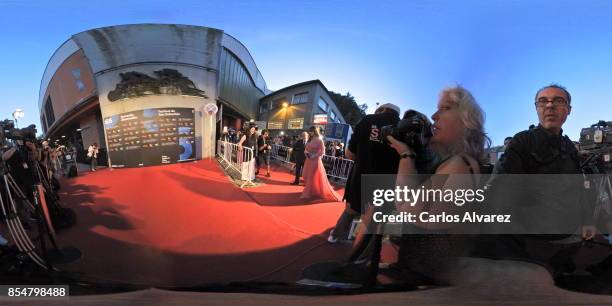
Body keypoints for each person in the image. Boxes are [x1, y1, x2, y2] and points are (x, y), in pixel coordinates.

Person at [484, 84, 596, 276]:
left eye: (558, 101)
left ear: (568, 110)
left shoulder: (569, 147)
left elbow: (581, 190)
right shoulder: (522, 142)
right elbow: (498, 195)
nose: (550, 106)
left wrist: (588, 222)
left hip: (565, 238)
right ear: (537, 108)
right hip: (528, 244)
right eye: (543, 101)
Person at [385, 86, 489, 284]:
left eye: (445, 108)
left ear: (466, 120)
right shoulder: (460, 163)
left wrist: (405, 155)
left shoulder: (460, 166)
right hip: (423, 275)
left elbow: (406, 210)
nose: (434, 116)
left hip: (425, 282)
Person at [328, 103, 402, 243]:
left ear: (381, 110)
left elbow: (350, 154)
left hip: (361, 176)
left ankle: (335, 236)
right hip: (388, 182)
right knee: (377, 218)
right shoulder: (403, 127)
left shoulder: (368, 120)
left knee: (351, 210)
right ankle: (364, 249)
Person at [300, 126, 341, 201]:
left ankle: (308, 192)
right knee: (305, 175)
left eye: (311, 131)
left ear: (315, 131)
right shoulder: (310, 139)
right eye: (309, 131)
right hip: (308, 160)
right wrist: (306, 152)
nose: (310, 133)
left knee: (311, 176)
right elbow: (306, 148)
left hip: (315, 161)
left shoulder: (319, 140)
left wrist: (313, 155)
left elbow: (322, 152)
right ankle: (312, 190)